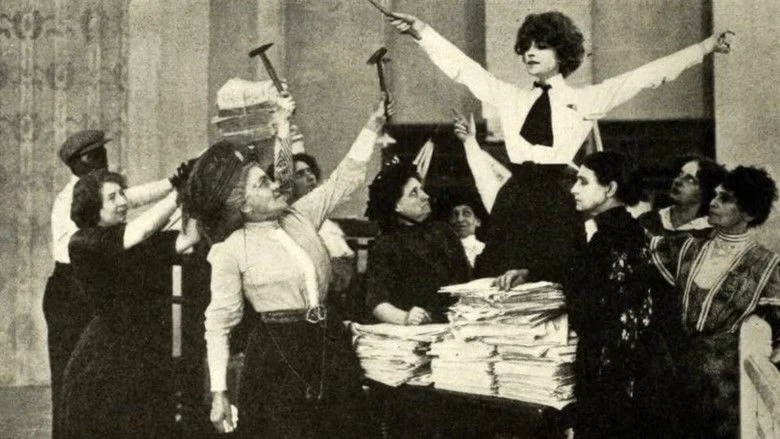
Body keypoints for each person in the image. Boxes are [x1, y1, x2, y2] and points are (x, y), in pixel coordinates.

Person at [387, 10, 733, 283]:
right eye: (526, 46)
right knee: (499, 285)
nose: (530, 53)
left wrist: (704, 48)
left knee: (554, 287)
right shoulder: (510, 98)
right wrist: (422, 31)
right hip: (513, 202)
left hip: (556, 204)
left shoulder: (586, 100)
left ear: (562, 52)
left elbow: (644, 76)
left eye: (541, 46)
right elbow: (465, 70)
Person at [190, 95, 386, 437]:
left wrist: (373, 125)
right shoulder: (231, 250)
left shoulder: (299, 215)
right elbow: (219, 323)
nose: (276, 184)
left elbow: (344, 178)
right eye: (262, 183)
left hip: (329, 342)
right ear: (244, 206)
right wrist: (219, 391)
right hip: (277, 360)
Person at [44, 129, 180, 438]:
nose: (104, 160)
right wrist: (177, 192)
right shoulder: (76, 197)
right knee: (72, 377)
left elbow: (131, 198)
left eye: (103, 153)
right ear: (80, 162)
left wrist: (173, 183)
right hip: (70, 291)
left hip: (91, 282)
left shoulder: (96, 190)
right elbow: (135, 222)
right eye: (96, 155)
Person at [648, 166, 780, 438]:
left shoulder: (765, 265)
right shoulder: (687, 247)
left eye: (726, 198)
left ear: (749, 213)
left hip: (727, 393)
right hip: (677, 382)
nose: (713, 202)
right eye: (716, 194)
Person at [364, 159, 471, 325]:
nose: (425, 196)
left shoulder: (444, 232)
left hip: (457, 321)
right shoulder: (385, 244)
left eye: (421, 189)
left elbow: (466, 281)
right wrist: (405, 317)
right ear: (396, 206)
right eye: (414, 193)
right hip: (415, 329)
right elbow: (376, 302)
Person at [639, 155, 727, 238]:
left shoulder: (711, 232)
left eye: (690, 180)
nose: (678, 181)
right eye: (680, 174)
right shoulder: (648, 220)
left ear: (705, 191)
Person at [449, 201, 485, 268]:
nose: (459, 219)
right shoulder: (444, 250)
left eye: (466, 214)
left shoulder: (483, 250)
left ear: (478, 221)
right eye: (455, 214)